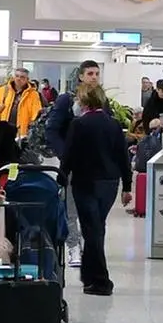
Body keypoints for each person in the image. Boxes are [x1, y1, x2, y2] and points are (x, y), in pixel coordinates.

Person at [58, 85, 131, 296]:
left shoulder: (78, 124)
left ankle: (101, 281)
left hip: (85, 182)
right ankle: (89, 276)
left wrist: (61, 179)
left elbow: (68, 155)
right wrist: (127, 186)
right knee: (97, 227)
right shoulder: (114, 124)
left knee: (92, 230)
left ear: (84, 101)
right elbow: (123, 157)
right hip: (109, 183)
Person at [44, 61, 102, 267]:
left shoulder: (102, 101)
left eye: (97, 73)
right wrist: (65, 154)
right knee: (71, 208)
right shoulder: (66, 100)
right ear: (81, 76)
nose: (94, 77)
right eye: (90, 73)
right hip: (72, 164)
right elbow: (51, 129)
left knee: (93, 207)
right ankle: (73, 246)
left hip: (96, 165)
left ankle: (91, 246)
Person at [0, 68, 42, 139]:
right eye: (17, 76)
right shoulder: (3, 90)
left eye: (22, 77)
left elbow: (36, 112)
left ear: (27, 79)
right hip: (3, 130)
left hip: (22, 132)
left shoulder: (33, 94)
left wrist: (31, 126)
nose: (19, 79)